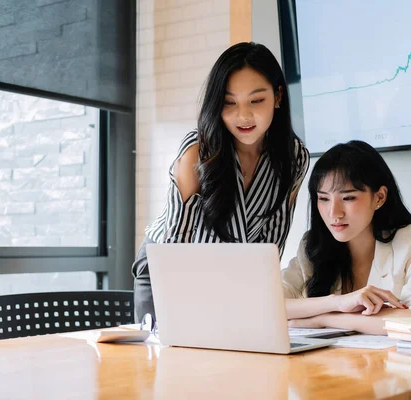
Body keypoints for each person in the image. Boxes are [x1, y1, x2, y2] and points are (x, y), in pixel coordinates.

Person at [132, 42, 310, 322]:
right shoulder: (197, 151)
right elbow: (176, 242)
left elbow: (273, 243)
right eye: (230, 103)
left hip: (228, 274)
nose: (244, 116)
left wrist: (257, 300)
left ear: (277, 97)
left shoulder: (294, 157)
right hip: (166, 267)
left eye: (256, 100)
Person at [282, 140, 411, 335]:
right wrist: (337, 302)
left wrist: (325, 319)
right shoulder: (313, 245)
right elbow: (267, 306)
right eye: (323, 198)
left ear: (379, 197)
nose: (334, 213)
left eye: (348, 198)